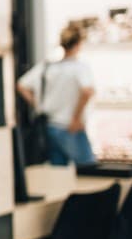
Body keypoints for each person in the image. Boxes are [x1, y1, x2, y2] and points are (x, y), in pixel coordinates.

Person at [16, 24, 97, 166]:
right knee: (88, 168)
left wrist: (39, 105)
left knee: (58, 171)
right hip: (69, 126)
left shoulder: (48, 67)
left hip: (50, 125)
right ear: (78, 44)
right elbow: (87, 91)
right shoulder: (79, 68)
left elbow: (21, 85)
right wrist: (76, 118)